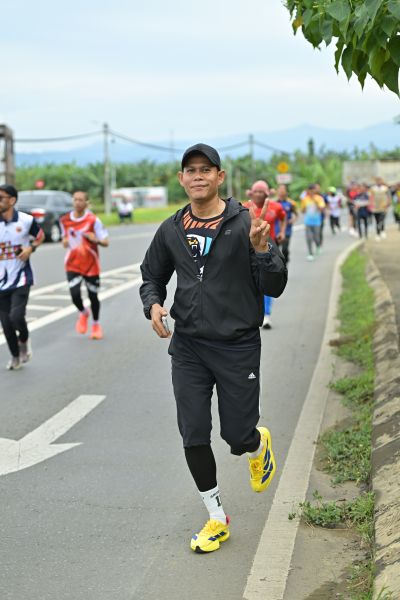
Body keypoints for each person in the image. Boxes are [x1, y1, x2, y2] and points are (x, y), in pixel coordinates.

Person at [140, 144, 287, 554]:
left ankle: (256, 444)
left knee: (236, 435)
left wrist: (262, 250)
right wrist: (152, 303)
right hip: (189, 346)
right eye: (191, 170)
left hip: (237, 345)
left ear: (220, 177)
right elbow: (151, 274)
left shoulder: (246, 223)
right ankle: (216, 517)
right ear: (182, 179)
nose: (198, 176)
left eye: (206, 169)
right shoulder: (171, 228)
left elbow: (275, 285)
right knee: (193, 432)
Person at [0, 184, 44, 370]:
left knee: (16, 317)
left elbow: (40, 236)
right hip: (1, 282)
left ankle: (24, 340)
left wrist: (30, 248)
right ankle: (15, 356)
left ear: (12, 200)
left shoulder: (26, 220)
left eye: (1, 198)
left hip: (21, 278)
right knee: (6, 324)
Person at [60, 191, 109, 340]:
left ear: (87, 203)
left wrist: (96, 240)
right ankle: (83, 312)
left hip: (91, 265)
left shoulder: (93, 220)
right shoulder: (65, 220)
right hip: (72, 263)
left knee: (93, 296)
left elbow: (106, 242)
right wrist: (64, 242)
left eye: (81, 200)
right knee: (75, 295)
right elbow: (64, 240)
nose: (77, 202)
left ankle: (96, 325)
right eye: (75, 199)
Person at [244, 180, 286, 329]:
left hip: (270, 249)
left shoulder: (276, 207)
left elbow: (283, 218)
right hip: (249, 250)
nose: (258, 194)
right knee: (251, 282)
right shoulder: (244, 207)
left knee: (267, 279)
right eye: (255, 191)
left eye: (261, 192)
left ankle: (266, 314)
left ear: (266, 193)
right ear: (251, 193)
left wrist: (282, 232)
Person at [300, 184, 326, 261]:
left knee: (316, 237)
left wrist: (315, 201)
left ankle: (318, 246)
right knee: (308, 238)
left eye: (313, 190)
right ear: (308, 191)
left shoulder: (319, 198)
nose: (311, 192)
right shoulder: (305, 199)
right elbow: (302, 211)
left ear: (315, 191)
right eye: (310, 190)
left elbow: (322, 209)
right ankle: (310, 254)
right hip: (308, 222)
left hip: (317, 222)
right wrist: (304, 208)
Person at [276, 184, 298, 264]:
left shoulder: (290, 203)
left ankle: (285, 263)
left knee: (284, 249)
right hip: (276, 230)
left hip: (287, 230)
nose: (281, 191)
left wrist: (293, 219)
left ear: (286, 192)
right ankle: (278, 265)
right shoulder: (274, 203)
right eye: (280, 189)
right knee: (275, 250)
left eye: (283, 189)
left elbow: (296, 214)